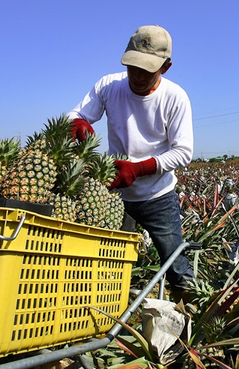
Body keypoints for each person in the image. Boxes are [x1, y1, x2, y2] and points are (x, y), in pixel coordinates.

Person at [68, 25, 195, 300]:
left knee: (175, 262)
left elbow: (183, 151)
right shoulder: (108, 86)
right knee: (107, 260)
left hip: (157, 195)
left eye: (147, 69)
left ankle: (192, 310)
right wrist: (78, 123)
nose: (137, 76)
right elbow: (76, 113)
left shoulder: (175, 97)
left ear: (166, 67)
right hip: (114, 194)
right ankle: (102, 311)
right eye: (132, 67)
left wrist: (139, 168)